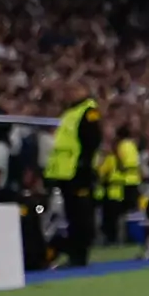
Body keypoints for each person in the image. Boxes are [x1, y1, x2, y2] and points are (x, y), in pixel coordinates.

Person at [45, 93, 103, 266]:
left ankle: (79, 254)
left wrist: (84, 165)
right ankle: (75, 254)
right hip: (67, 175)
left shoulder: (88, 111)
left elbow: (92, 139)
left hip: (78, 174)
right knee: (74, 216)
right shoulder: (71, 113)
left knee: (81, 216)